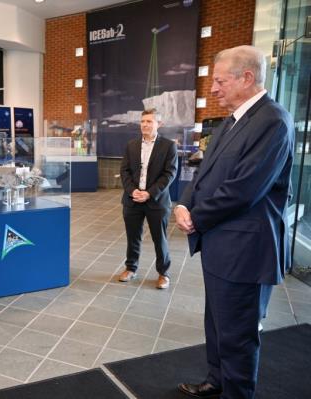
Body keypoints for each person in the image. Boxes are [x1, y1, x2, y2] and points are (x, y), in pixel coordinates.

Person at [174, 45, 294, 398]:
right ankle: (217, 380)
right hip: (221, 246)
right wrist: (183, 204)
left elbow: (244, 189)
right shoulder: (233, 120)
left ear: (247, 77)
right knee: (217, 324)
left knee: (238, 335)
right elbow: (204, 174)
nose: (213, 89)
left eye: (219, 81)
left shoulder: (273, 121)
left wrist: (196, 217)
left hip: (246, 251)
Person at [119, 109, 178, 289]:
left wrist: (149, 193)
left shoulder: (168, 146)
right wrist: (132, 191)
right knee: (133, 237)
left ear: (159, 124)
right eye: (143, 121)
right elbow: (125, 171)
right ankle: (131, 268)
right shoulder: (131, 145)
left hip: (156, 201)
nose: (145, 124)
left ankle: (163, 273)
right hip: (133, 200)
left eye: (149, 121)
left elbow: (170, 173)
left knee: (159, 238)